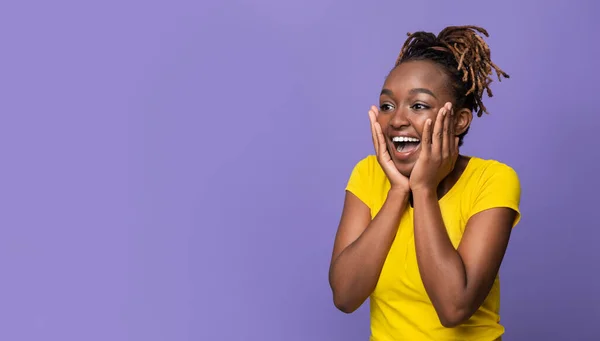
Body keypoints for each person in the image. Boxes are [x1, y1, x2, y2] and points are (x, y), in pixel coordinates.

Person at [328, 25, 521, 341]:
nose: (397, 120)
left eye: (418, 105)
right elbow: (345, 297)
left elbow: (454, 308)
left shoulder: (493, 180)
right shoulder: (368, 173)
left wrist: (423, 188)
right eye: (388, 106)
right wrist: (398, 191)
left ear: (459, 120)